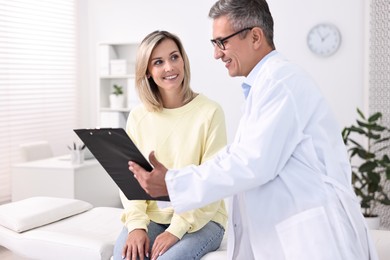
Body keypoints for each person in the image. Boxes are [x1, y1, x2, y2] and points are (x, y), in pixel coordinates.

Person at [128, 0, 379, 259]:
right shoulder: (262, 88)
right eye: (214, 44)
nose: (217, 54)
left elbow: (250, 163)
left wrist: (172, 183)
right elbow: (238, 158)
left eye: (222, 42)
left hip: (315, 240)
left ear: (256, 37)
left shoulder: (281, 83)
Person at [113, 30, 228, 260]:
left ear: (183, 60)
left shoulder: (210, 112)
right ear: (148, 71)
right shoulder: (138, 116)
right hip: (152, 217)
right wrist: (136, 225)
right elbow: (131, 179)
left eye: (174, 57)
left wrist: (176, 230)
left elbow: (213, 181)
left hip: (203, 219)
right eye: (158, 62)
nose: (169, 67)